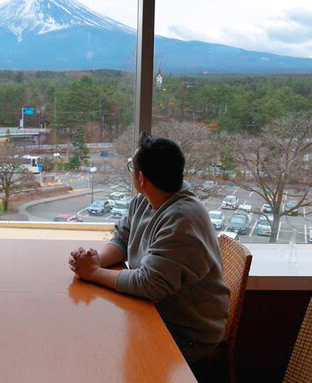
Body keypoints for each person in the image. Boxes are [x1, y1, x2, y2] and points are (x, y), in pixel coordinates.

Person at [68, 133, 230, 364]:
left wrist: (93, 273)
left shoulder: (182, 219)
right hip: (154, 312)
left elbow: (149, 284)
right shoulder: (145, 200)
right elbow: (123, 239)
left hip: (186, 334)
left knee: (104, 358)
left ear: (141, 178)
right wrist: (95, 260)